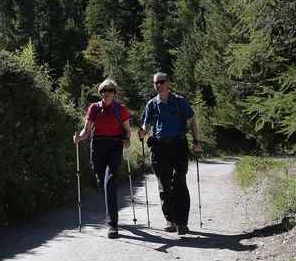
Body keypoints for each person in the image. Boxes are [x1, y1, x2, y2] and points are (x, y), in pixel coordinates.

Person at [138, 72, 202, 235]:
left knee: (179, 180)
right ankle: (170, 219)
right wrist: (142, 132)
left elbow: (192, 121)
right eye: (155, 83)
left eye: (161, 82)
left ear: (168, 84)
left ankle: (181, 222)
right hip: (159, 148)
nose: (158, 85)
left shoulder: (179, 102)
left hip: (179, 146)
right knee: (164, 184)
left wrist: (196, 141)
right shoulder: (152, 105)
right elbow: (146, 125)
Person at [73, 78, 131, 239]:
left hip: (114, 146)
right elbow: (86, 130)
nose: (107, 93)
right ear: (100, 93)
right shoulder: (94, 108)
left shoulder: (121, 109)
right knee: (101, 182)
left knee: (110, 181)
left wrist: (127, 139)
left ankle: (112, 224)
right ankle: (111, 205)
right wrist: (79, 137)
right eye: (104, 91)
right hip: (97, 146)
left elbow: (127, 131)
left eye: (110, 90)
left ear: (115, 93)